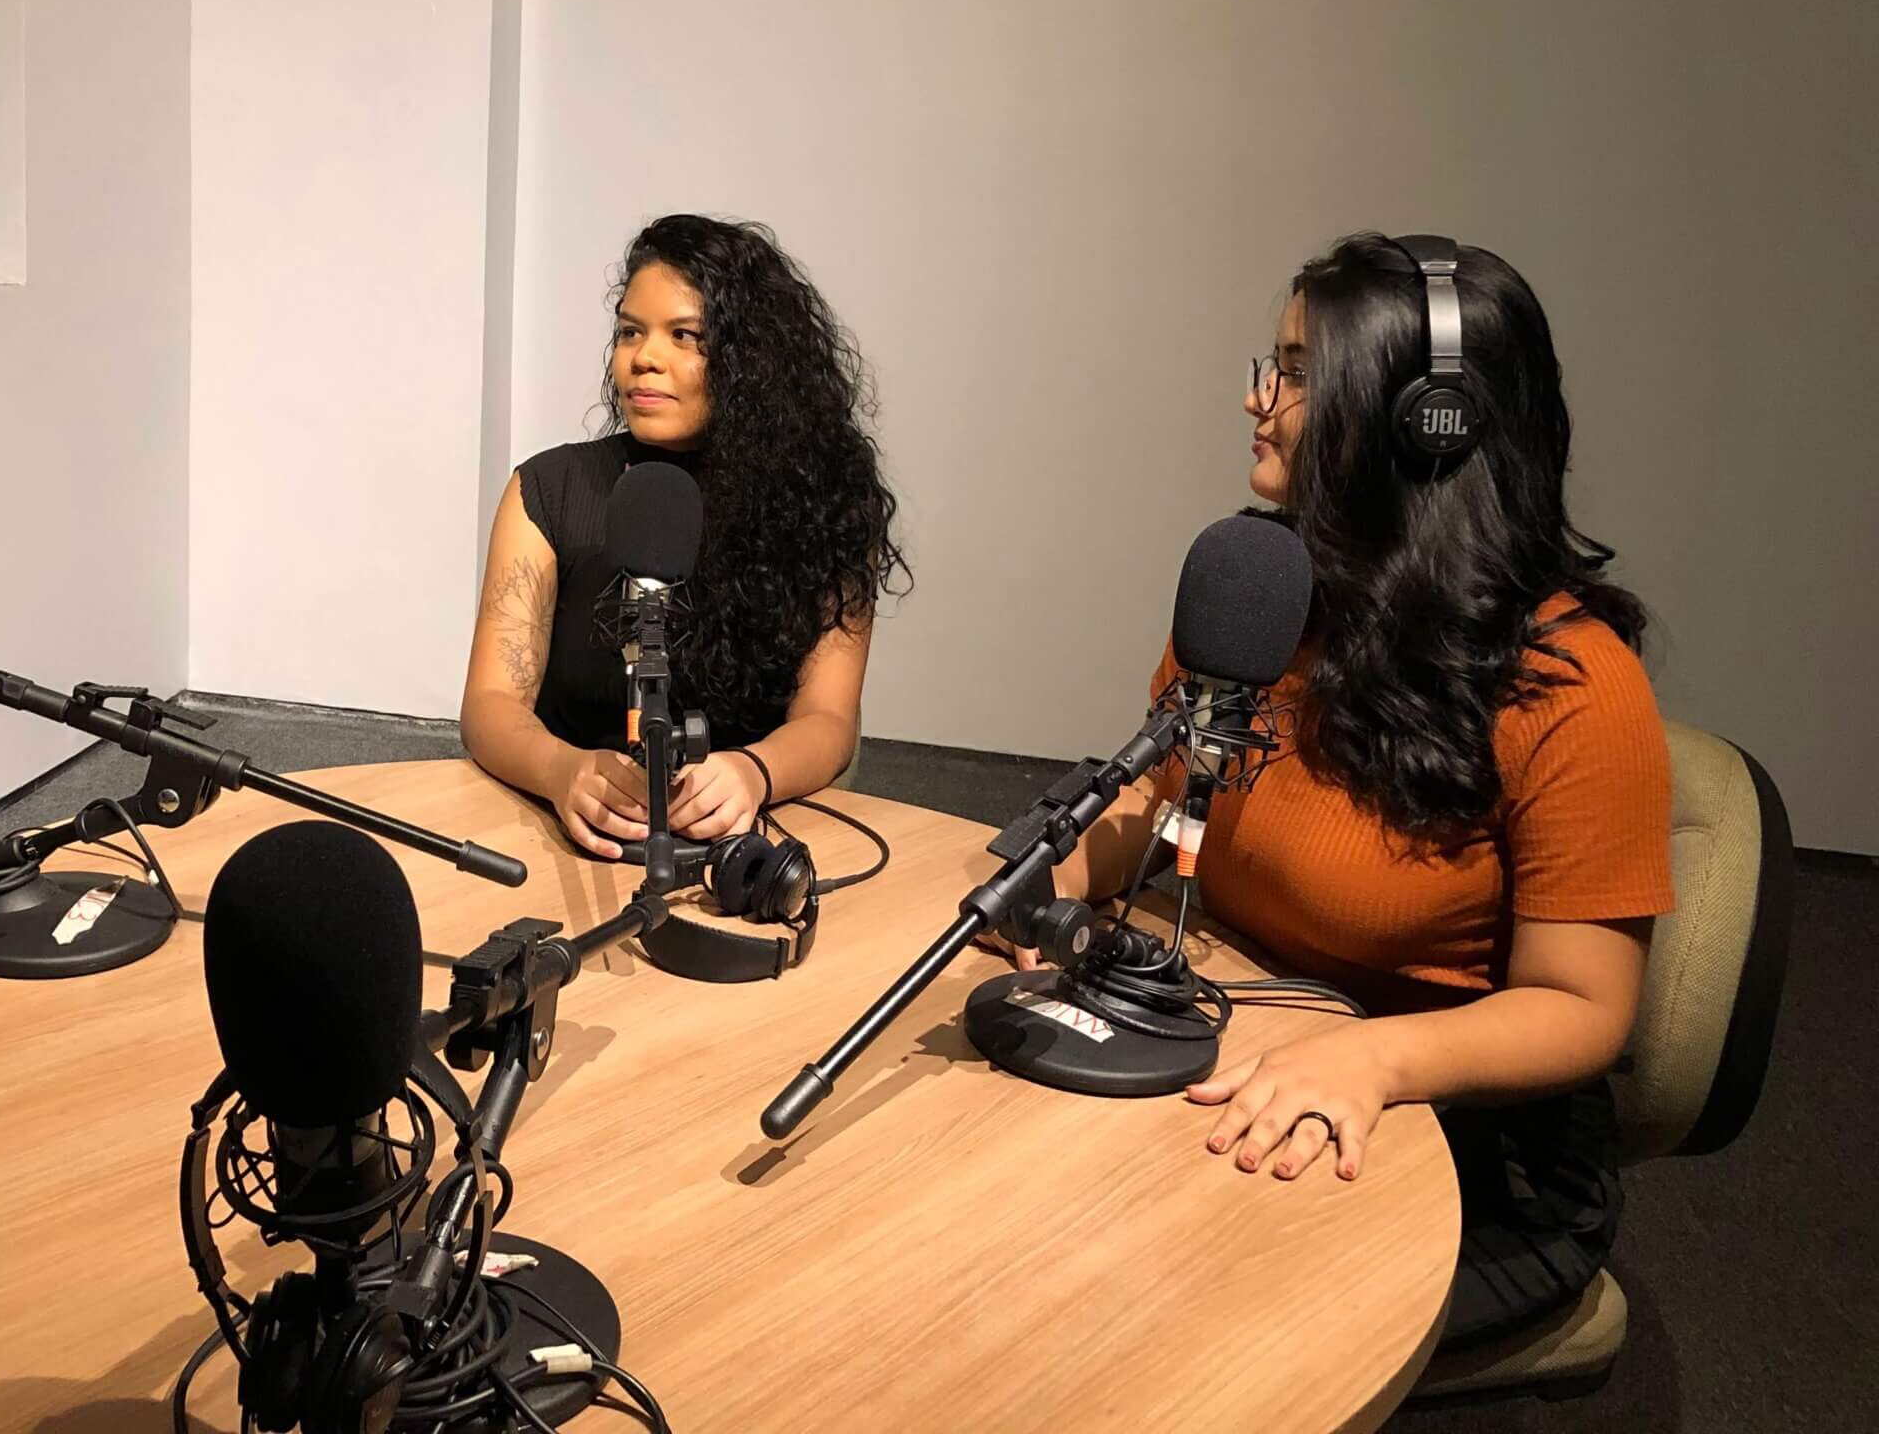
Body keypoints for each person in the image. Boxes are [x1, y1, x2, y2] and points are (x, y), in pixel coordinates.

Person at [1024, 232, 1673, 1351]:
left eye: (1296, 372)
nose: (1256, 400)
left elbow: (1583, 1008)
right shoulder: (1258, 596)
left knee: (1154, 1332)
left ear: (1427, 422)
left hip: (1460, 1142)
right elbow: (1169, 802)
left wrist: (1374, 1058)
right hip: (1234, 1037)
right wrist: (1059, 870)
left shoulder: (1573, 688)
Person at [461, 214, 908, 859]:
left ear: (751, 359)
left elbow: (829, 719)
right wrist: (560, 771)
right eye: (630, 332)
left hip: (737, 847)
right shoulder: (548, 489)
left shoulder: (827, 506)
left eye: (684, 336)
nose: (644, 357)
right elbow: (492, 702)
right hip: (566, 839)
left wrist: (754, 772)